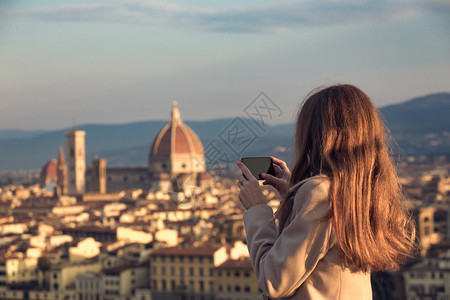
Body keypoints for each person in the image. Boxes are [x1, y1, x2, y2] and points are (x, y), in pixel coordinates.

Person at [236, 84, 416, 300]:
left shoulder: (322, 192)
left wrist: (257, 210)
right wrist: (293, 196)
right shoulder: (362, 191)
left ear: (315, 135)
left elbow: (274, 281)